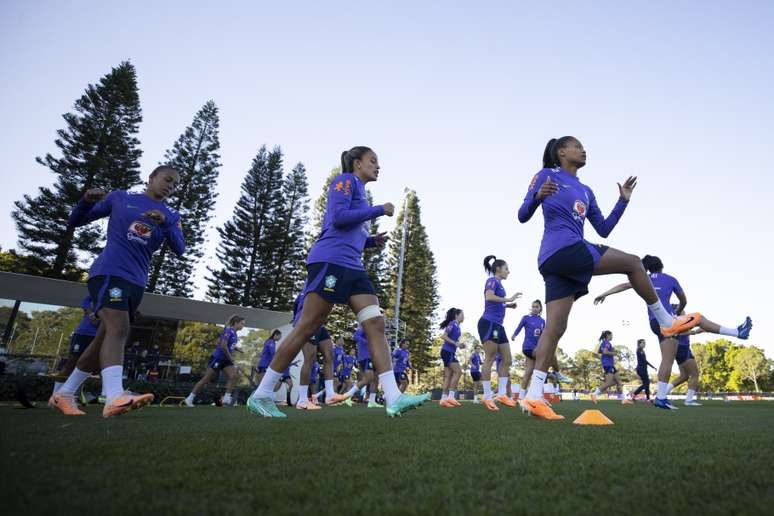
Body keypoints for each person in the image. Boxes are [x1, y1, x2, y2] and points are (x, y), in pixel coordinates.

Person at [517, 137, 699, 420]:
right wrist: (538, 196)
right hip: (560, 251)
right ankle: (666, 320)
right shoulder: (547, 175)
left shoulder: (586, 191)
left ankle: (534, 396)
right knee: (634, 263)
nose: (583, 149)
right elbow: (522, 214)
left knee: (555, 328)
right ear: (561, 151)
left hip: (561, 262)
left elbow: (603, 229)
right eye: (577, 146)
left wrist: (622, 202)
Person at [246, 146, 429, 418]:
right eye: (373, 161)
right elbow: (338, 219)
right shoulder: (345, 181)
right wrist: (378, 210)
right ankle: (261, 394)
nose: (378, 166)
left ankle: (393, 397)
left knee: (376, 325)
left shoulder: (359, 190)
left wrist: (370, 241)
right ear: (357, 163)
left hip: (353, 267)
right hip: (331, 262)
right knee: (306, 328)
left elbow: (349, 230)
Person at [50, 165, 185, 417]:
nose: (170, 186)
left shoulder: (172, 215)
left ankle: (65, 394)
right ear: (152, 178)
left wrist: (165, 223)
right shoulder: (121, 198)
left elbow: (180, 248)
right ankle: (114, 396)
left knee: (103, 338)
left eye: (175, 184)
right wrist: (85, 201)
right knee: (120, 329)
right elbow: (75, 221)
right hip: (110, 273)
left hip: (136, 282)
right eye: (167, 180)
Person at [594, 254, 752, 409]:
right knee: (698, 318)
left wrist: (604, 294)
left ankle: (661, 398)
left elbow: (623, 286)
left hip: (654, 323)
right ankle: (737, 332)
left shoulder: (643, 277)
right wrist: (679, 311)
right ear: (661, 266)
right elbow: (683, 300)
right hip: (668, 322)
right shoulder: (670, 279)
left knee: (667, 359)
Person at [478, 255, 521, 412]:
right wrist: (507, 299)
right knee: (489, 358)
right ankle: (487, 396)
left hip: (498, 325)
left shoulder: (500, 285)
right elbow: (489, 297)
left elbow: (495, 303)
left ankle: (502, 394)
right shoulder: (492, 281)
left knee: (507, 359)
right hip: (488, 323)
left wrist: (508, 305)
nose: (508, 272)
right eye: (506, 269)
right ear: (498, 269)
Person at [184, 315, 246, 407]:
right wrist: (230, 357)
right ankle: (190, 398)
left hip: (226, 360)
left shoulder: (234, 333)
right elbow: (223, 346)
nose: (243, 326)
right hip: (218, 358)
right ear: (236, 323)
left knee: (233, 376)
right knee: (206, 379)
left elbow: (228, 344)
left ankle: (226, 398)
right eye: (242, 323)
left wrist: (237, 349)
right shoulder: (228, 330)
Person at [292, 292, 336, 410]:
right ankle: (302, 400)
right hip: (307, 323)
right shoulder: (305, 292)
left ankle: (330, 395)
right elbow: (296, 307)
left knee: (329, 355)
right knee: (310, 358)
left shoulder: (325, 289)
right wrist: (297, 323)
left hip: (319, 326)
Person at [51, 295, 99, 401]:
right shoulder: (100, 289)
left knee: (86, 367)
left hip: (98, 336)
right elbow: (85, 301)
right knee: (71, 364)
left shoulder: (116, 296)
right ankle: (54, 397)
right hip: (83, 333)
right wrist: (91, 314)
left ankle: (72, 396)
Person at [665, 326, 704, 406]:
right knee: (695, 374)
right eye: (684, 312)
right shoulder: (679, 322)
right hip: (683, 348)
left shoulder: (680, 321)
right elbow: (677, 333)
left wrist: (700, 328)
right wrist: (695, 332)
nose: (685, 313)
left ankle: (663, 393)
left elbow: (695, 324)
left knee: (684, 376)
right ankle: (689, 400)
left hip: (680, 349)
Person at [590, 331, 628, 404]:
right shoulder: (607, 342)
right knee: (609, 383)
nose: (612, 337)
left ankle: (624, 399)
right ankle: (594, 394)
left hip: (609, 364)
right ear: (608, 335)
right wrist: (613, 353)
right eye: (611, 335)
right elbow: (604, 351)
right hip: (608, 364)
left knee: (618, 381)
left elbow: (600, 351)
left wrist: (610, 352)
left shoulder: (604, 343)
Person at [440, 308, 465, 407]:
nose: (464, 317)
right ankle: (451, 397)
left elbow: (453, 341)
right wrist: (456, 343)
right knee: (458, 371)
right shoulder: (452, 323)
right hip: (447, 352)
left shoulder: (457, 326)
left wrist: (459, 345)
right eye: (462, 315)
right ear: (456, 315)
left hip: (449, 352)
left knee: (448, 376)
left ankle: (443, 399)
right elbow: (444, 336)